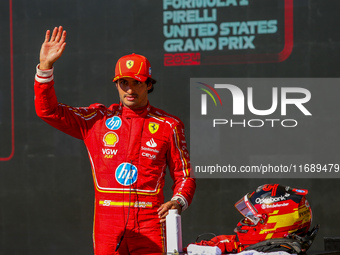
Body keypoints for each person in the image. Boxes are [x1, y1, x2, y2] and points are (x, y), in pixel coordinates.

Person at [34, 26, 196, 255]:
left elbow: (185, 176)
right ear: (116, 85)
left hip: (151, 220)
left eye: (137, 83)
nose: (130, 90)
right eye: (123, 83)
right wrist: (45, 67)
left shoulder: (169, 125)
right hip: (107, 224)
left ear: (149, 84)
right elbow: (48, 111)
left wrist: (177, 202)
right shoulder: (97, 119)